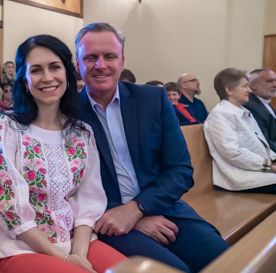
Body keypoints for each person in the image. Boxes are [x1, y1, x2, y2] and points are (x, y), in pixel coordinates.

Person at [75, 22, 228, 273]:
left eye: (109, 56)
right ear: (78, 64)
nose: (100, 65)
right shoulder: (66, 112)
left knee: (227, 263)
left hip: (163, 207)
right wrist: (126, 217)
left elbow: (180, 170)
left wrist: (137, 209)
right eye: (90, 57)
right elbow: (66, 190)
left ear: (122, 62)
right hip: (105, 221)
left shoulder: (151, 99)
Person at [0, 34, 126, 273]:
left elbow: (88, 199)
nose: (48, 77)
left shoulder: (81, 133)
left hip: (77, 243)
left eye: (54, 67)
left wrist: (78, 254)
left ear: (67, 74)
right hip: (21, 248)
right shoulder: (7, 127)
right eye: (36, 70)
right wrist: (63, 260)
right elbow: (8, 204)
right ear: (24, 80)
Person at [204, 67, 276, 192]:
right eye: (245, 86)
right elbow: (233, 153)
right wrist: (270, 166)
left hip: (257, 169)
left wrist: (272, 161)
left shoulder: (243, 111)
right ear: (229, 90)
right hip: (241, 177)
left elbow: (258, 145)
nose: (249, 90)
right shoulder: (220, 114)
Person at [244, 68, 276, 153]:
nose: (275, 84)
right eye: (270, 81)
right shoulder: (250, 106)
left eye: (275, 80)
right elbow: (264, 143)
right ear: (253, 85)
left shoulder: (263, 101)